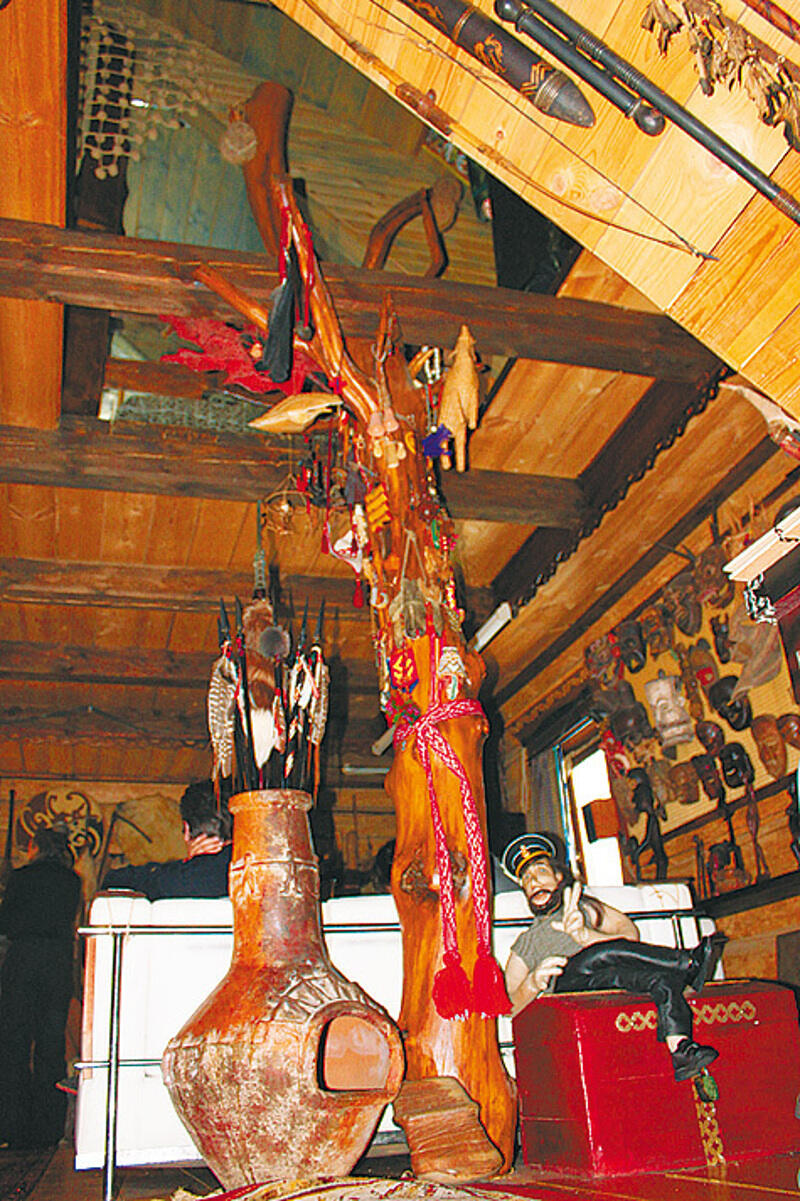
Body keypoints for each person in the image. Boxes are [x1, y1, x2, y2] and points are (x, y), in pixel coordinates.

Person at [502, 833, 726, 1083]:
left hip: (602, 981)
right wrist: (533, 981)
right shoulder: (527, 941)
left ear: (559, 877)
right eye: (526, 878)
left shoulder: (585, 907)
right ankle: (687, 963)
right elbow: (508, 1006)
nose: (533, 882)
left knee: (660, 979)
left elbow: (629, 936)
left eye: (541, 871)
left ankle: (681, 1050)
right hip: (566, 988)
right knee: (602, 952)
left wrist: (585, 934)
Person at [0, 823, 82, 1148]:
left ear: (36, 847)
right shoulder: (72, 880)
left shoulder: (21, 877)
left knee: (14, 1042)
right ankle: (48, 1127)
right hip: (57, 963)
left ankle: (12, 1126)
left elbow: (6, 922)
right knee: (51, 1043)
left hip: (23, 960)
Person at [101, 781, 232, 900]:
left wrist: (190, 864)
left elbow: (113, 880)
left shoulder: (174, 882)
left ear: (186, 830)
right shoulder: (241, 867)